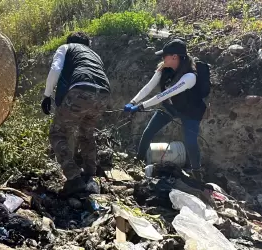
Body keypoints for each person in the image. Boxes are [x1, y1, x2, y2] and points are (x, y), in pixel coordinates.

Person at [124, 39, 207, 180]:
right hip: (171, 107)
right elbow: (149, 87)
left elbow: (164, 95)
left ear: (174, 57)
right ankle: (138, 161)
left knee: (191, 142)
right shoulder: (163, 69)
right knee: (148, 131)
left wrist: (140, 106)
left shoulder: (190, 77)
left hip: (191, 111)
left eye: (165, 56)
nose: (162, 59)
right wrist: (133, 101)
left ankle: (197, 172)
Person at [40, 31, 111, 194]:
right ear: (87, 45)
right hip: (104, 93)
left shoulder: (66, 47)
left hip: (81, 90)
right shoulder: (94, 55)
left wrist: (47, 95)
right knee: (86, 133)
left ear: (70, 41)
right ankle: (90, 175)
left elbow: (56, 68)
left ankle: (74, 178)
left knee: (57, 133)